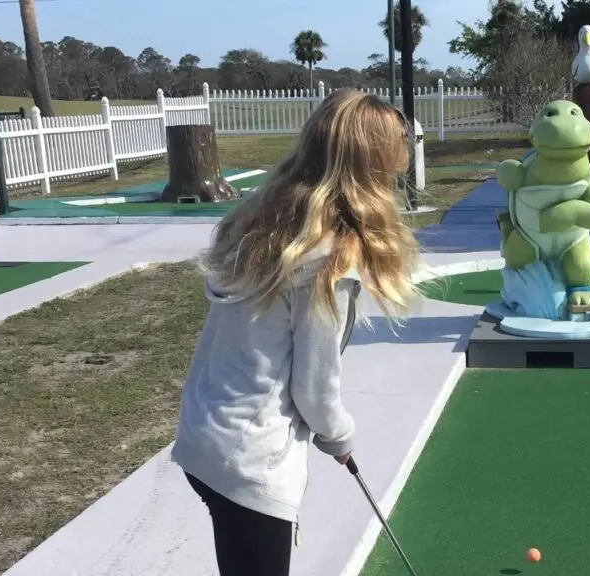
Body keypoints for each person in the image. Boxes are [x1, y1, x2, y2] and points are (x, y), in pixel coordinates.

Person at [171, 89, 420, 576]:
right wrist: (339, 435)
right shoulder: (328, 261)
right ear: (371, 169)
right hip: (248, 457)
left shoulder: (268, 222)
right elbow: (314, 386)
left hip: (205, 437)